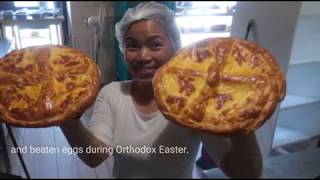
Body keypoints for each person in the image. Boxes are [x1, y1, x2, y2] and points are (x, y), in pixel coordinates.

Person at [60, 1, 262, 178]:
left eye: (155, 45)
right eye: (132, 46)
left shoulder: (194, 104)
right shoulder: (112, 93)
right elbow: (94, 157)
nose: (143, 56)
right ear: (123, 52)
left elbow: (244, 174)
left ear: (176, 48)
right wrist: (66, 119)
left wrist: (242, 122)